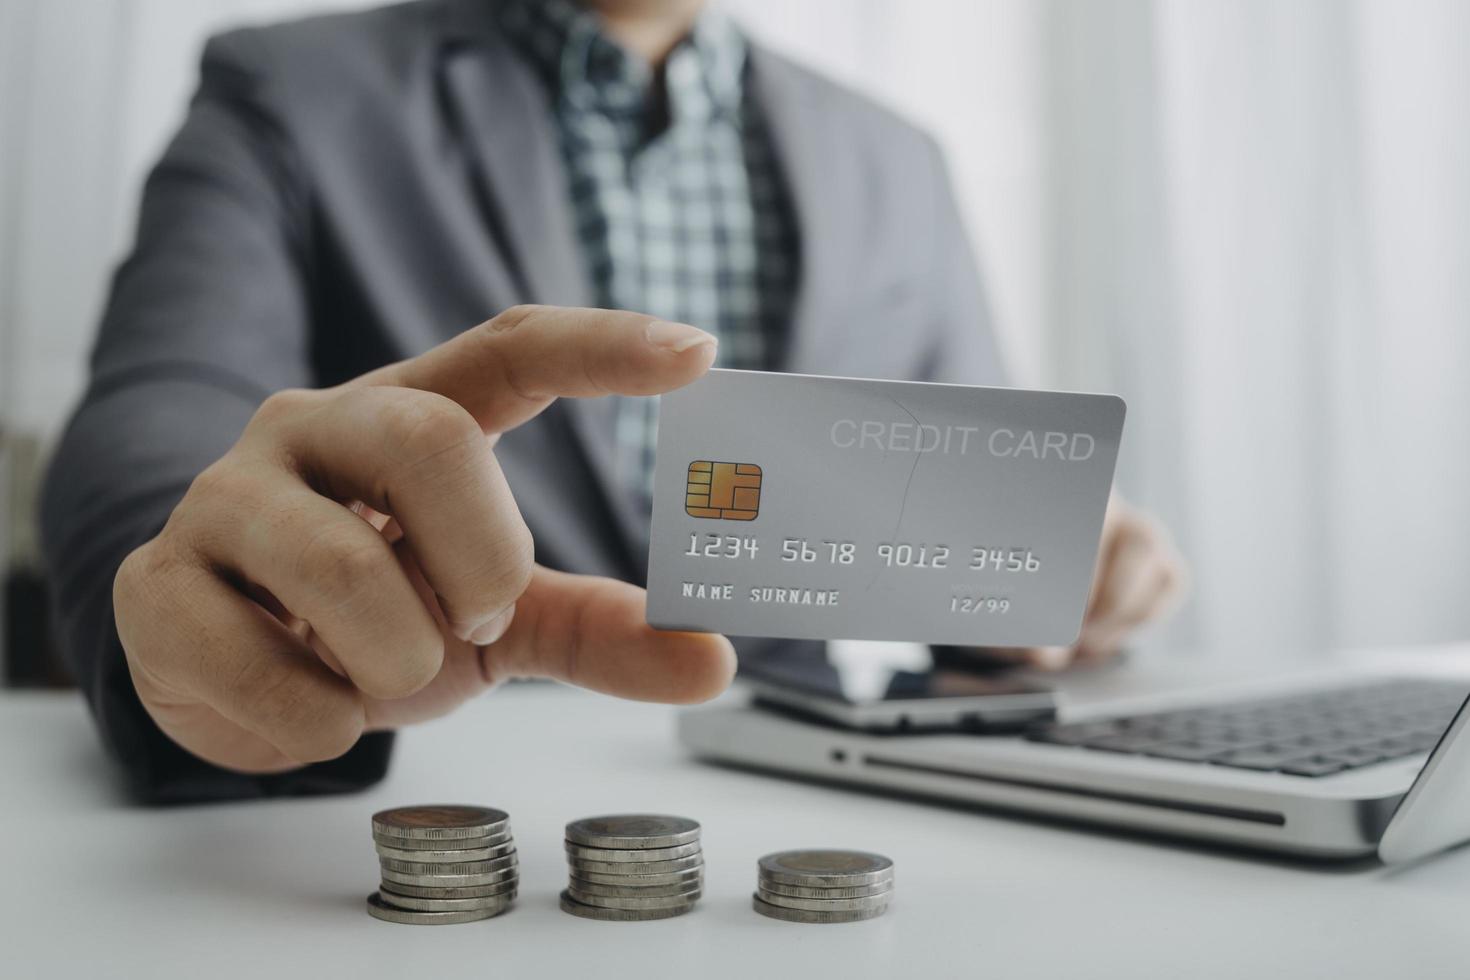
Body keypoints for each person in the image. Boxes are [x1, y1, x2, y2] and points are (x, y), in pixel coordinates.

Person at [41, 0, 1185, 803]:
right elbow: (160, 412)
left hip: (818, 804)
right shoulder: (288, 88)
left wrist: (1071, 567)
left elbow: (953, 515)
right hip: (435, 802)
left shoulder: (896, 158)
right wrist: (196, 602)